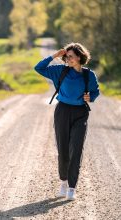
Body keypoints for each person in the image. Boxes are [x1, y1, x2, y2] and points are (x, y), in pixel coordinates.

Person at [34, 42, 100, 200]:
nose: (67, 59)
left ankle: (71, 187)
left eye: (71, 56)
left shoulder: (88, 75)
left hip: (80, 113)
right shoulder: (60, 71)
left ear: (79, 56)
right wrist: (54, 56)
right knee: (63, 151)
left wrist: (91, 97)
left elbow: (95, 91)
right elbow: (39, 68)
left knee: (76, 149)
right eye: (66, 56)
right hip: (62, 111)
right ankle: (63, 182)